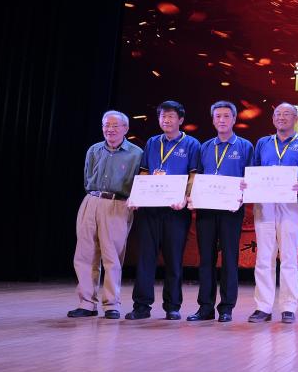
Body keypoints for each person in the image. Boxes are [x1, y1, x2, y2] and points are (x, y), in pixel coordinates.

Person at [126, 100, 201, 321]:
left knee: (174, 259)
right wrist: (137, 195)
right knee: (145, 258)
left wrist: (185, 197)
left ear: (181, 120)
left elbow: (193, 175)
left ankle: (172, 306)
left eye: (170, 116)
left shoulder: (192, 144)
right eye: (162, 116)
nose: (166, 120)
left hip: (176, 210)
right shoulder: (152, 142)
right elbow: (144, 171)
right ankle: (141, 306)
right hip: (150, 208)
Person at [67, 110, 143, 319]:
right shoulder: (94, 149)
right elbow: (87, 177)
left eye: (115, 125)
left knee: (112, 256)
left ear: (125, 128)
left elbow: (140, 181)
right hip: (91, 200)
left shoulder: (136, 153)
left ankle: (111, 304)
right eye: (106, 125)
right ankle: (86, 303)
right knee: (84, 254)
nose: (110, 129)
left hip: (117, 203)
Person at [187, 101, 253, 323]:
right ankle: (205, 307)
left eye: (226, 116)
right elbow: (197, 177)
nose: (222, 120)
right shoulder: (205, 147)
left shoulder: (245, 146)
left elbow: (252, 177)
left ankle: (226, 307)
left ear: (234, 119)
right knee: (206, 258)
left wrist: (246, 186)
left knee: (230, 259)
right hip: (206, 209)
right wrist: (192, 195)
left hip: (231, 210)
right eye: (218, 116)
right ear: (213, 120)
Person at [248, 103, 298, 324]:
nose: (281, 117)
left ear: (296, 118)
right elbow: (254, 171)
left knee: (289, 256)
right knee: (264, 256)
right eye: (277, 114)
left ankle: (288, 307)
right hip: (265, 203)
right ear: (272, 118)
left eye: (287, 114)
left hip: (291, 203)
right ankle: (263, 307)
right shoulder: (263, 143)